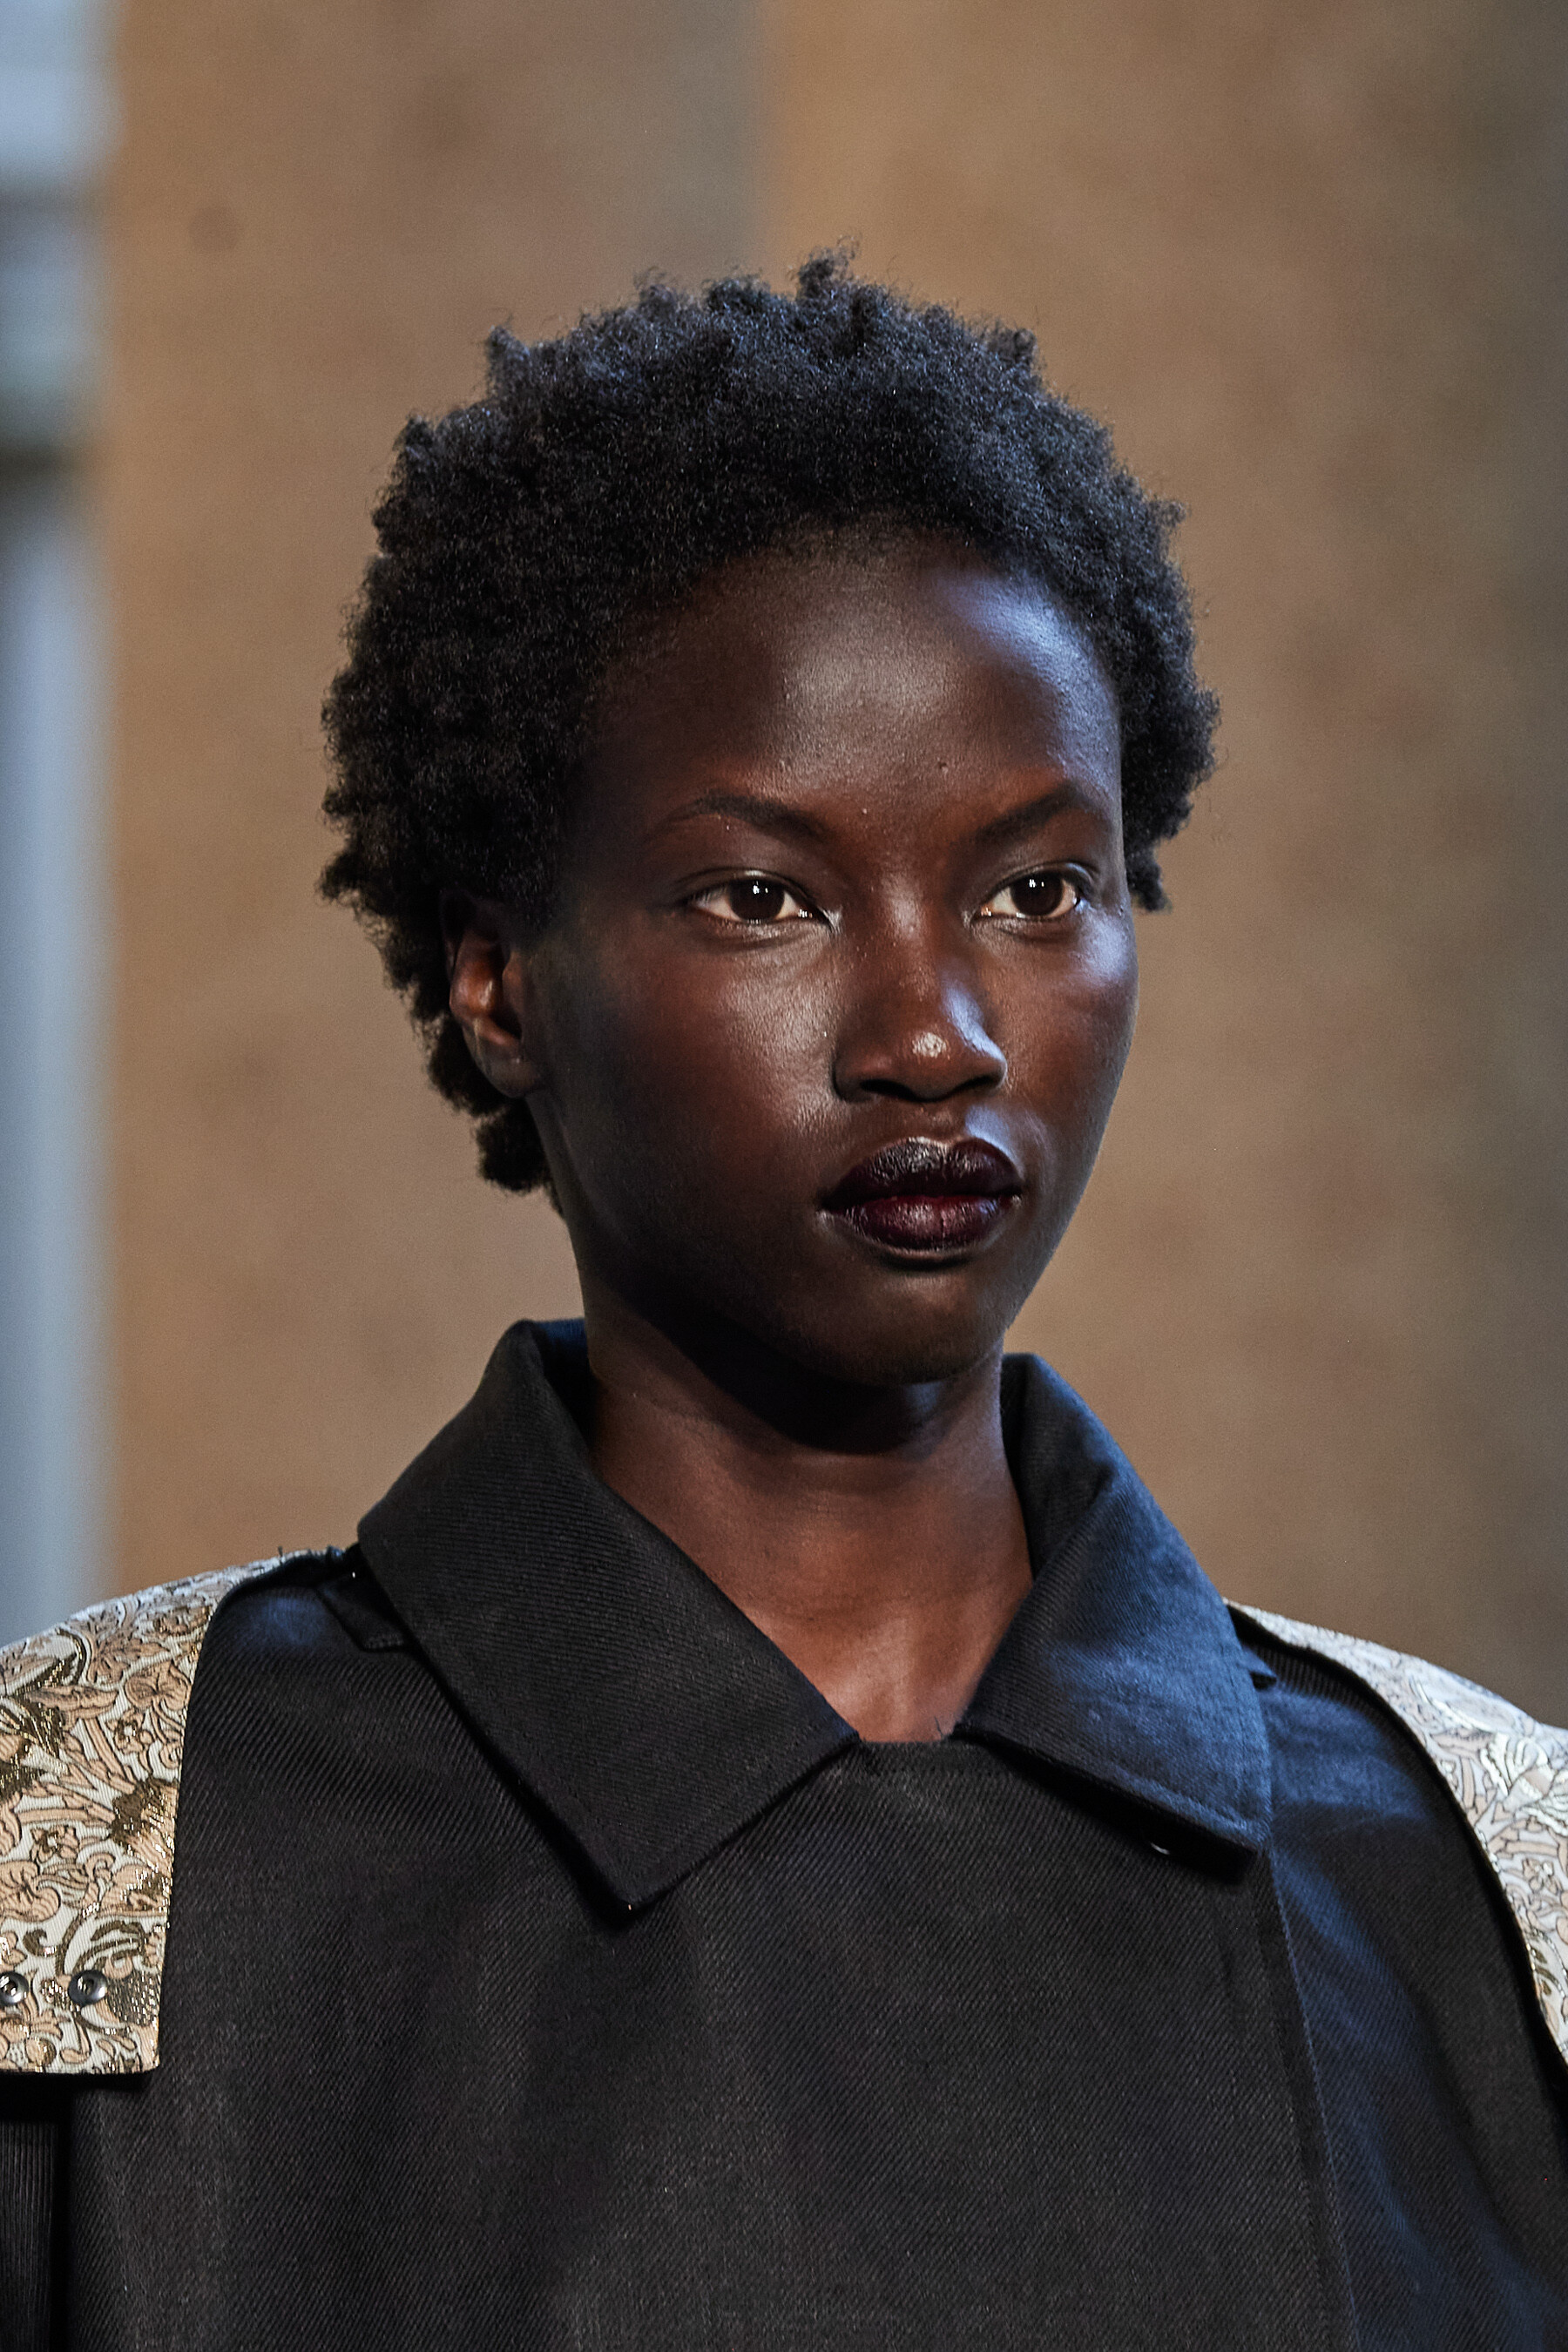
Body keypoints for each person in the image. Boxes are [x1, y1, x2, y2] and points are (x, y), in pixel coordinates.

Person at [0, 259, 1564, 2350]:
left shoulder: (1484, 1892)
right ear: (497, 981)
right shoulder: (90, 1867)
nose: (934, 1035)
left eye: (1038, 890)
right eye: (768, 897)